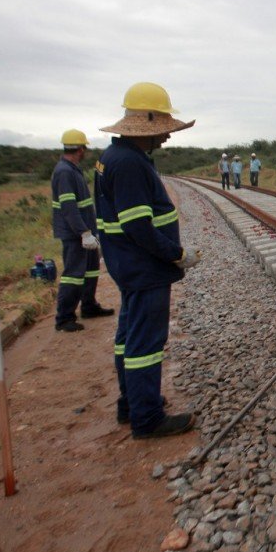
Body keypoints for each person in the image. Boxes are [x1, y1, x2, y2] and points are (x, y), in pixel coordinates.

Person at [95, 81, 200, 439]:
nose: (167, 136)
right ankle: (147, 418)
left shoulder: (116, 157)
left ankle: (131, 404)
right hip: (143, 268)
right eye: (163, 129)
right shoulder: (128, 165)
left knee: (129, 337)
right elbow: (138, 225)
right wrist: (177, 254)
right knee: (145, 344)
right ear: (148, 125)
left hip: (129, 266)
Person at [51, 129, 114, 332]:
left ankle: (89, 306)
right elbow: (68, 207)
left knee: (91, 270)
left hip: (85, 231)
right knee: (73, 274)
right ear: (79, 149)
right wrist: (83, 233)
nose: (85, 151)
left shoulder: (72, 169)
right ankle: (64, 318)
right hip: (75, 234)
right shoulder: (64, 172)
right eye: (84, 147)